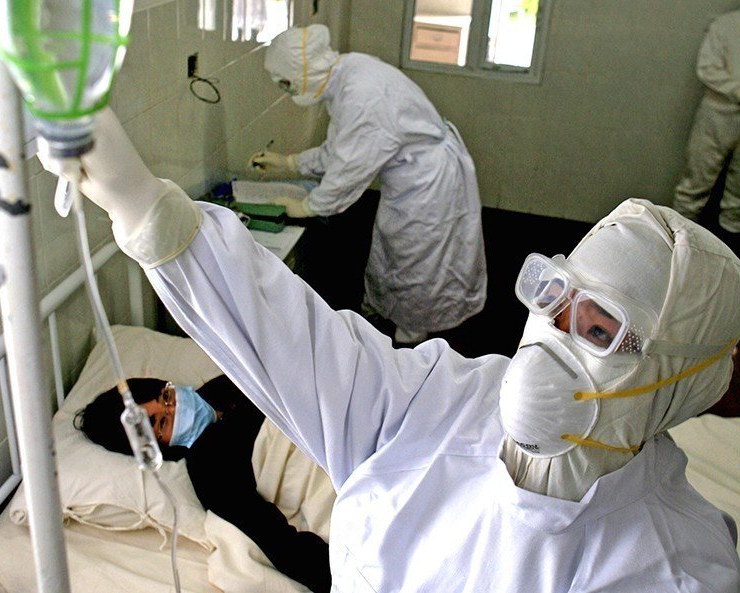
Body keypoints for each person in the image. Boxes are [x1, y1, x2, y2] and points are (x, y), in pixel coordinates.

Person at [46, 108, 740, 592]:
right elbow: (294, 343)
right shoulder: (449, 399)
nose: (551, 345)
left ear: (679, 381)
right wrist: (142, 206)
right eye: (553, 300)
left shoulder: (675, 569)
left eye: (598, 331)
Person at [247, 24, 487, 345]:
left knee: (418, 258)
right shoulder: (346, 74)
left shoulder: (361, 96)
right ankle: (387, 316)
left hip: (426, 183)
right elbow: (343, 147)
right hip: (411, 173)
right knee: (395, 248)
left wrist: (309, 206)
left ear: (303, 71)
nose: (288, 91)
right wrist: (290, 162)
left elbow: (349, 168)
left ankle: (411, 341)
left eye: (288, 83)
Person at [76, 375, 331, 593]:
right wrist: (339, 572)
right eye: (162, 422)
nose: (173, 409)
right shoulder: (208, 467)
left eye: (166, 396)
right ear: (158, 447)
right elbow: (277, 541)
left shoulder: (225, 384)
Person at [673, 9, 740, 252]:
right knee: (696, 181)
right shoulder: (725, 25)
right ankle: (677, 246)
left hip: (725, 107)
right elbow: (707, 69)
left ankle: (728, 252)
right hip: (718, 112)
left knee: (738, 192)